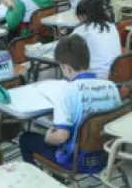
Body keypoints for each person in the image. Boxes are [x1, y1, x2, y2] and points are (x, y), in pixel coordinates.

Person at [18, 36, 122, 172]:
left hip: (77, 161)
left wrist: (48, 137)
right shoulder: (111, 87)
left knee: (26, 139)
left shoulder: (67, 93)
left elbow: (61, 137)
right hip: (108, 154)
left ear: (66, 68)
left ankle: (41, 179)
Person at [71, 0, 121, 79]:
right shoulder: (112, 26)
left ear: (84, 16)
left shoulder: (83, 29)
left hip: (98, 77)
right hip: (119, 73)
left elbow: (67, 47)